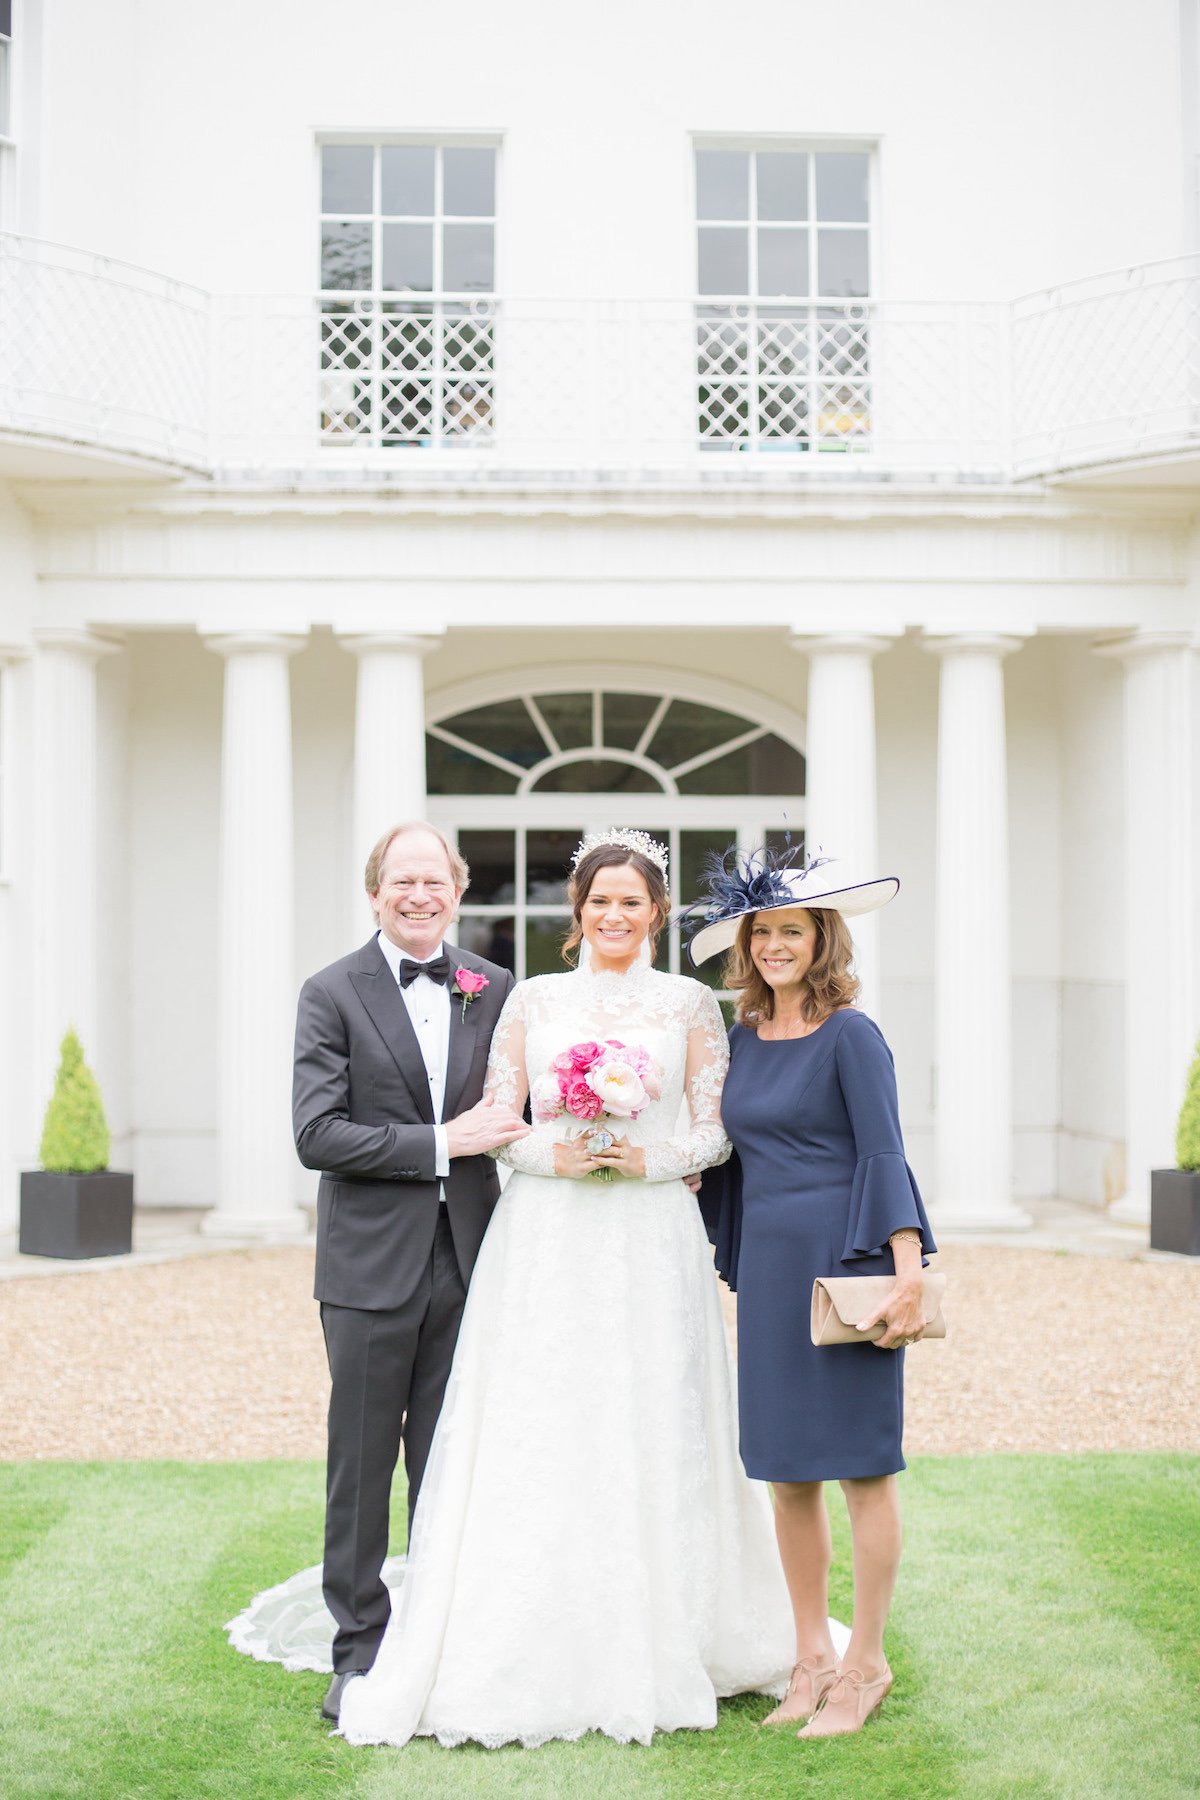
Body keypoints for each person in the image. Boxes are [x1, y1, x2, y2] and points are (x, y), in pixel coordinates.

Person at [312, 827, 794, 1747]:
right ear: (577, 913)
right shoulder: (527, 998)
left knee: (657, 1413)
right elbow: (498, 1117)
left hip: (652, 1235)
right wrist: (555, 1153)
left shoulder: (694, 1005)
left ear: (656, 913)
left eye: (632, 901)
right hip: (548, 1234)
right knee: (545, 1415)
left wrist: (646, 1158)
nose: (615, 915)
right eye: (600, 901)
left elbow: (713, 1130)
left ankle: (678, 1626)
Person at [689, 845, 935, 1740]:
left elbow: (884, 1151)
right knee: (788, 1474)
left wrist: (907, 1269)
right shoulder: (743, 1038)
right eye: (762, 932)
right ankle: (810, 1659)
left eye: (791, 931)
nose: (775, 946)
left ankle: (867, 1664)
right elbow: (732, 1155)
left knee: (864, 1469)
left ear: (821, 939)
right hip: (768, 1270)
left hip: (849, 1264)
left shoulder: (853, 1035)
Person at [290, 821, 529, 1723]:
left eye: (434, 880)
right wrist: (441, 1144)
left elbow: (527, 1104)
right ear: (376, 891)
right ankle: (358, 1652)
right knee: (360, 1463)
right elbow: (318, 1134)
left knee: (448, 1459)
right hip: (366, 1266)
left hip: (472, 1259)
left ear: (458, 890)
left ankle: (439, 1638)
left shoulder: (494, 986)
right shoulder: (330, 993)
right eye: (403, 881)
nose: (419, 895)